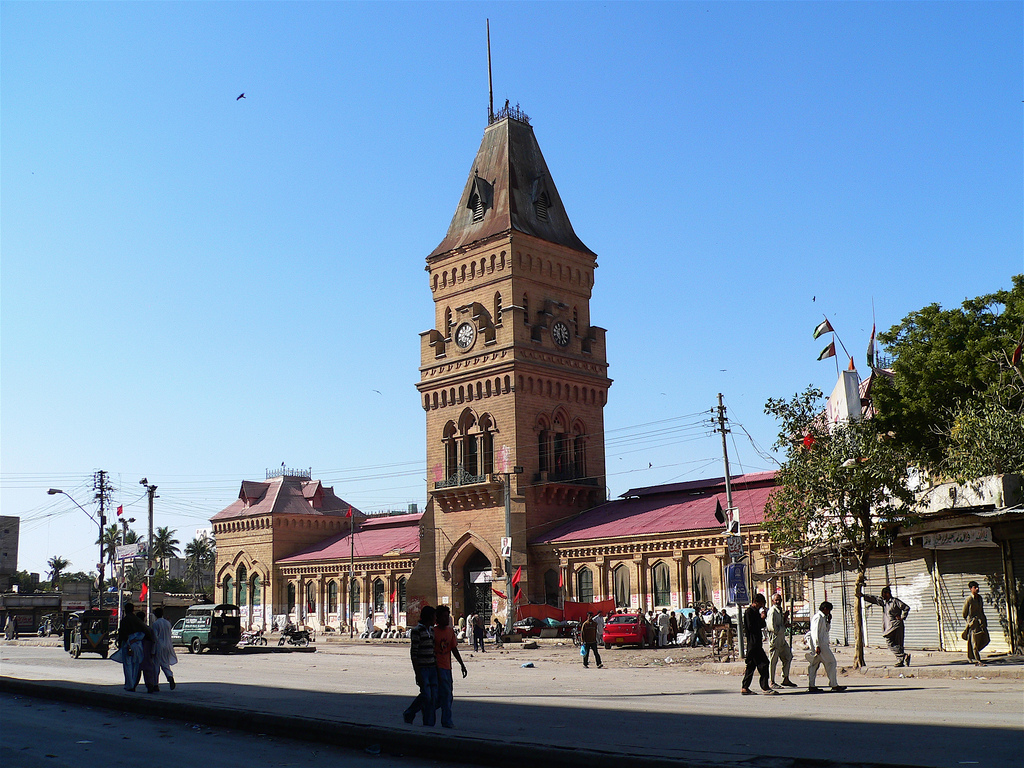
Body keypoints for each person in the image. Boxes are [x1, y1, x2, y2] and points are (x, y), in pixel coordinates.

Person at [432, 605, 467, 728]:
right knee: (443, 695)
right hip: (436, 668)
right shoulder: (433, 632)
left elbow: (454, 649)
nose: (447, 619)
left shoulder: (450, 631)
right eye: (444, 617)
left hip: (447, 668)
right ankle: (446, 721)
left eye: (448, 616)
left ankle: (424, 710)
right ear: (437, 618)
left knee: (446, 695)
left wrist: (462, 664)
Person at [403, 605, 438, 726]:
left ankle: (429, 722)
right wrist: (417, 673)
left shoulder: (432, 631)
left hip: (432, 668)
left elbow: (433, 650)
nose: (435, 619)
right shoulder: (417, 631)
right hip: (423, 669)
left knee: (433, 697)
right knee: (426, 695)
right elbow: (414, 654)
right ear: (429, 617)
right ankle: (409, 712)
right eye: (434, 617)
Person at [864, 586, 911, 667]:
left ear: (888, 594)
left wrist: (902, 617)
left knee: (898, 644)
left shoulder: (895, 601)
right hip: (889, 627)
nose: (882, 596)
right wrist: (863, 596)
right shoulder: (884, 602)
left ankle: (901, 660)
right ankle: (903, 657)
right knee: (890, 643)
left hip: (897, 626)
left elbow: (906, 608)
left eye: (884, 594)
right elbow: (874, 599)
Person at [740, 594, 776, 695]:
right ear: (756, 602)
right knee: (764, 664)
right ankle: (765, 687)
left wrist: (762, 618)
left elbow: (762, 625)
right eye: (761, 603)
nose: (762, 606)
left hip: (756, 643)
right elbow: (751, 627)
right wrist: (760, 618)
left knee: (751, 666)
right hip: (753, 644)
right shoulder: (749, 612)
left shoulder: (755, 612)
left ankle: (745, 687)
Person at [117, 602, 156, 693]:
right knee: (135, 666)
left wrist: (121, 644)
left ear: (125, 610)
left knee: (128, 666)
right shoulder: (137, 620)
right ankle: (134, 684)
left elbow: (122, 634)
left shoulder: (125, 620)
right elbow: (147, 631)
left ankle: (130, 685)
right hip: (138, 646)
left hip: (128, 645)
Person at [806, 601, 846, 692]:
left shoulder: (823, 618)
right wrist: (817, 645)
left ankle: (812, 686)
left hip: (821, 645)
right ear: (825, 609)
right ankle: (834, 684)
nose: (829, 612)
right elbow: (814, 632)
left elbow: (826, 630)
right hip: (820, 645)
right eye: (829, 610)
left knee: (814, 665)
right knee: (831, 662)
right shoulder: (818, 617)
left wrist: (829, 621)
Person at [766, 594, 796, 688]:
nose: (778, 602)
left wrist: (785, 619)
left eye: (779, 600)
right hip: (775, 640)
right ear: (773, 601)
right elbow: (773, 628)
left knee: (788, 656)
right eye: (776, 600)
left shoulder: (779, 611)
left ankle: (785, 678)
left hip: (782, 639)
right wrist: (784, 627)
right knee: (773, 661)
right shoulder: (772, 611)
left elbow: (781, 624)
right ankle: (771, 681)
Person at [962, 580, 989, 666]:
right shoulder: (969, 599)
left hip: (980, 622)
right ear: (971, 589)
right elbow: (964, 613)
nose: (977, 589)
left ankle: (971, 656)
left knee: (985, 639)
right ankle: (978, 660)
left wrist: (984, 621)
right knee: (974, 643)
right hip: (973, 623)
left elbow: (981, 610)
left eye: (978, 587)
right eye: (975, 587)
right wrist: (969, 623)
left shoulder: (979, 598)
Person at [151, 607, 178, 690]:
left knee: (156, 665)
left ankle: (155, 684)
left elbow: (155, 637)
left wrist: (153, 650)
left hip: (159, 646)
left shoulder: (155, 624)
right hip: (168, 645)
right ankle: (170, 676)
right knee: (165, 663)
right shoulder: (167, 623)